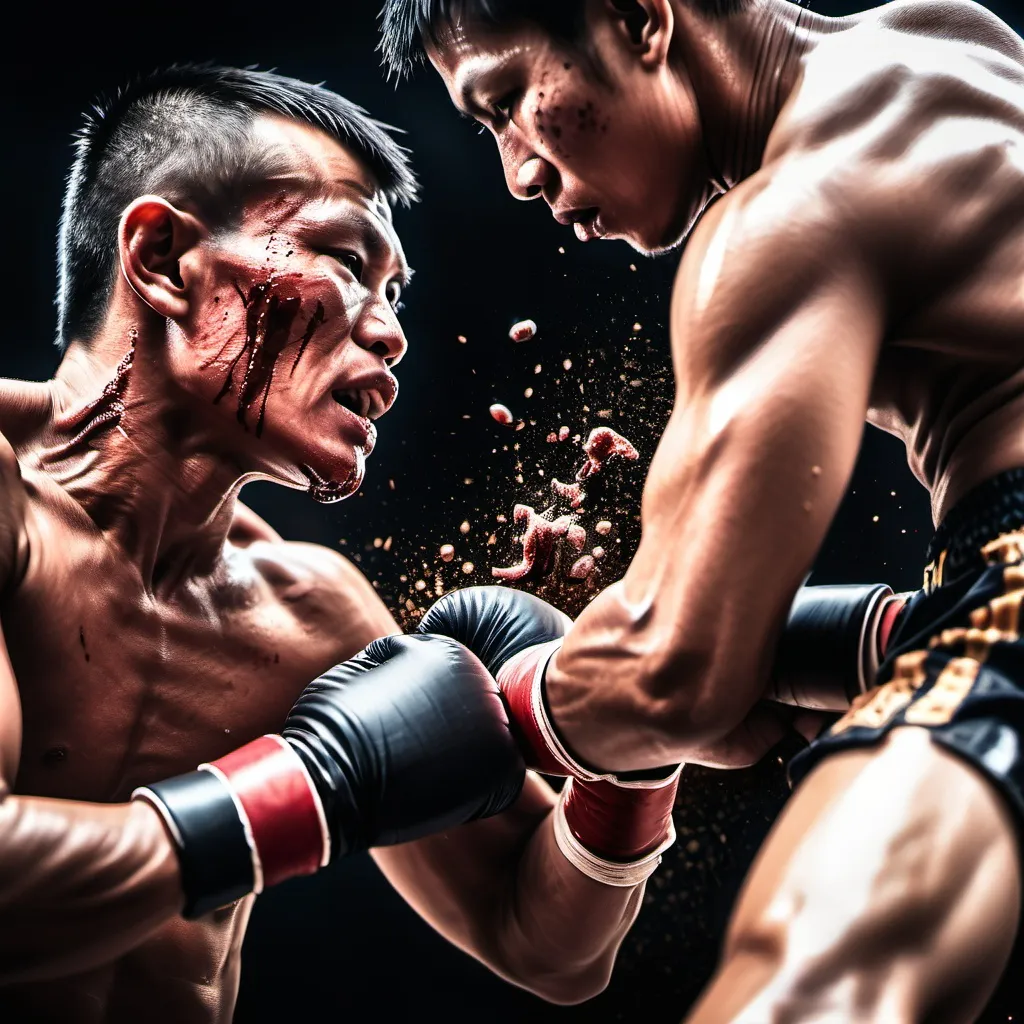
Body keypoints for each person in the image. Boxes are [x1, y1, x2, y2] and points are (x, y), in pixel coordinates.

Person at [0, 63, 686, 1023]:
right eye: (344, 259)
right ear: (162, 262)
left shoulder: (309, 612)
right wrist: (314, 789)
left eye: (397, 290)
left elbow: (546, 943)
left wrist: (634, 743)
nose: (393, 332)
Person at [378, 0, 1024, 1019]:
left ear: (640, 19)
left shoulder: (788, 212)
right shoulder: (951, 41)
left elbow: (677, 675)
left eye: (508, 101)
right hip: (985, 575)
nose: (517, 170)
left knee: (810, 975)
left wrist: (474, 717)